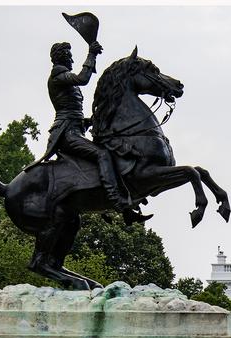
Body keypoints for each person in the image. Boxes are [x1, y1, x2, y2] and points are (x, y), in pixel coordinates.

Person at [28, 41, 148, 225]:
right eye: (69, 55)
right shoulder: (58, 76)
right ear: (62, 57)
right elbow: (83, 78)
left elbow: (73, 111)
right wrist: (91, 54)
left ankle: (125, 205)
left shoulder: (63, 77)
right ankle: (117, 201)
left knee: (107, 149)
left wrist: (92, 120)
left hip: (75, 129)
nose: (72, 58)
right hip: (67, 134)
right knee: (102, 154)